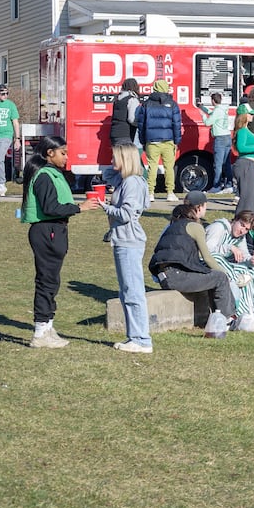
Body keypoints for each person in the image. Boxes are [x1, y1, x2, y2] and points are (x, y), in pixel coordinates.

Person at [22, 135, 101, 347]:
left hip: (54, 230)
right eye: (63, 153)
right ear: (50, 153)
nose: (66, 157)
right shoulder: (45, 175)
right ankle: (40, 332)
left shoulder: (51, 173)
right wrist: (79, 208)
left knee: (52, 280)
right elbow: (50, 207)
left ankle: (47, 327)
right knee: (46, 281)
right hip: (47, 231)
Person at [147, 193, 240, 338]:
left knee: (211, 276)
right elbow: (208, 258)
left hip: (164, 276)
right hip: (176, 276)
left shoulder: (171, 227)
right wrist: (227, 275)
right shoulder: (195, 227)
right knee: (220, 277)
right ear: (197, 209)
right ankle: (227, 319)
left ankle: (216, 317)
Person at [102, 142, 153, 353]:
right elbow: (107, 174)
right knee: (127, 291)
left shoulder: (131, 183)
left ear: (126, 158)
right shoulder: (131, 180)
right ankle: (135, 336)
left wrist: (105, 207)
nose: (111, 160)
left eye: (115, 156)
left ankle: (141, 339)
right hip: (125, 240)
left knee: (133, 292)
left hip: (128, 241)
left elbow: (126, 214)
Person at [136, 79, 183, 202]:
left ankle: (150, 192)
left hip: (152, 140)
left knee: (152, 166)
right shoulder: (172, 104)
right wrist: (177, 141)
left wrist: (143, 141)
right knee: (169, 167)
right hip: (168, 140)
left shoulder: (146, 104)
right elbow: (177, 124)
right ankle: (170, 192)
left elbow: (141, 125)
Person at [231, 109, 254, 216]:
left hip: (248, 163)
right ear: (244, 116)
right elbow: (241, 148)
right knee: (247, 196)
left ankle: (250, 215)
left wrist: (253, 158)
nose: (252, 116)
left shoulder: (245, 130)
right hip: (244, 165)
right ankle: (241, 218)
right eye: (250, 114)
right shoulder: (242, 131)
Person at [202, 92, 234, 192]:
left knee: (218, 164)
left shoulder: (216, 111)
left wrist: (203, 116)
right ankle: (229, 184)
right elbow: (212, 113)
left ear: (212, 101)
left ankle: (216, 186)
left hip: (219, 139)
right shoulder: (222, 109)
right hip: (227, 137)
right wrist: (202, 107)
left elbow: (208, 122)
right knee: (227, 163)